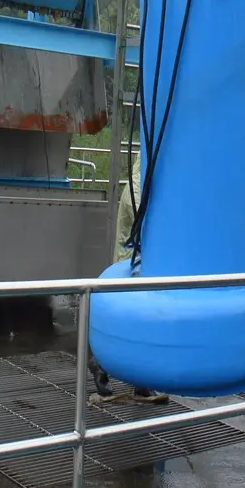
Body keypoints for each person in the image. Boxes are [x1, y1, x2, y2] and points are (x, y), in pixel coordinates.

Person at [88, 151, 164, 402]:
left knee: (144, 323)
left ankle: (141, 381)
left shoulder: (141, 184)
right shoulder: (137, 190)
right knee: (132, 322)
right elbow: (150, 225)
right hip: (131, 267)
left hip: (140, 266)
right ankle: (100, 364)